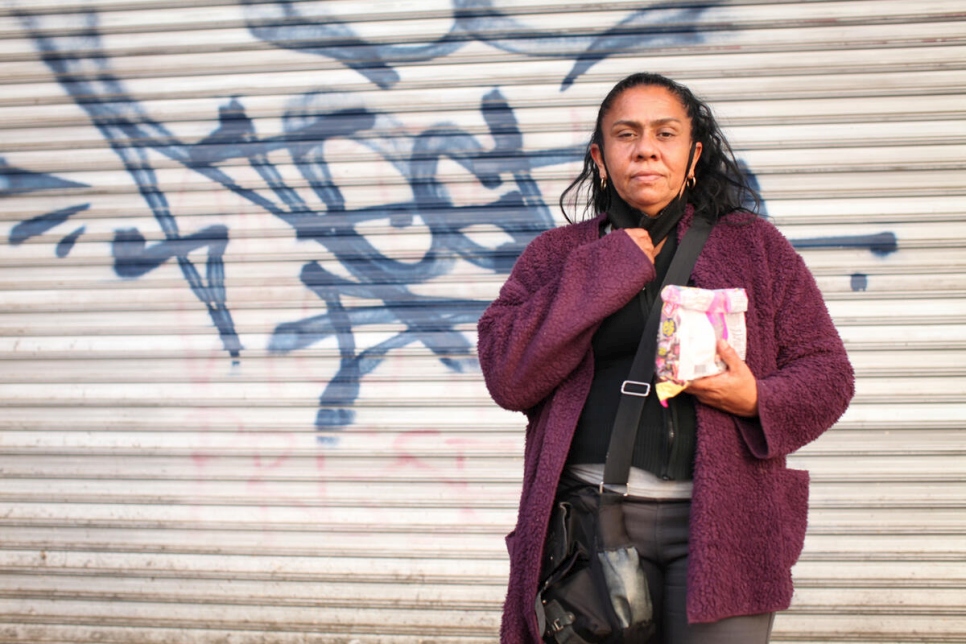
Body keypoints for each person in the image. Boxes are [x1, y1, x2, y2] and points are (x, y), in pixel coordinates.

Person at [477, 72, 855, 643]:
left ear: (693, 152)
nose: (646, 148)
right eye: (625, 134)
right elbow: (507, 373)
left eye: (665, 133)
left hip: (725, 525)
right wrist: (602, 271)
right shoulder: (558, 255)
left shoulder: (755, 247)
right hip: (587, 523)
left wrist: (756, 397)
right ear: (599, 157)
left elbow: (828, 372)